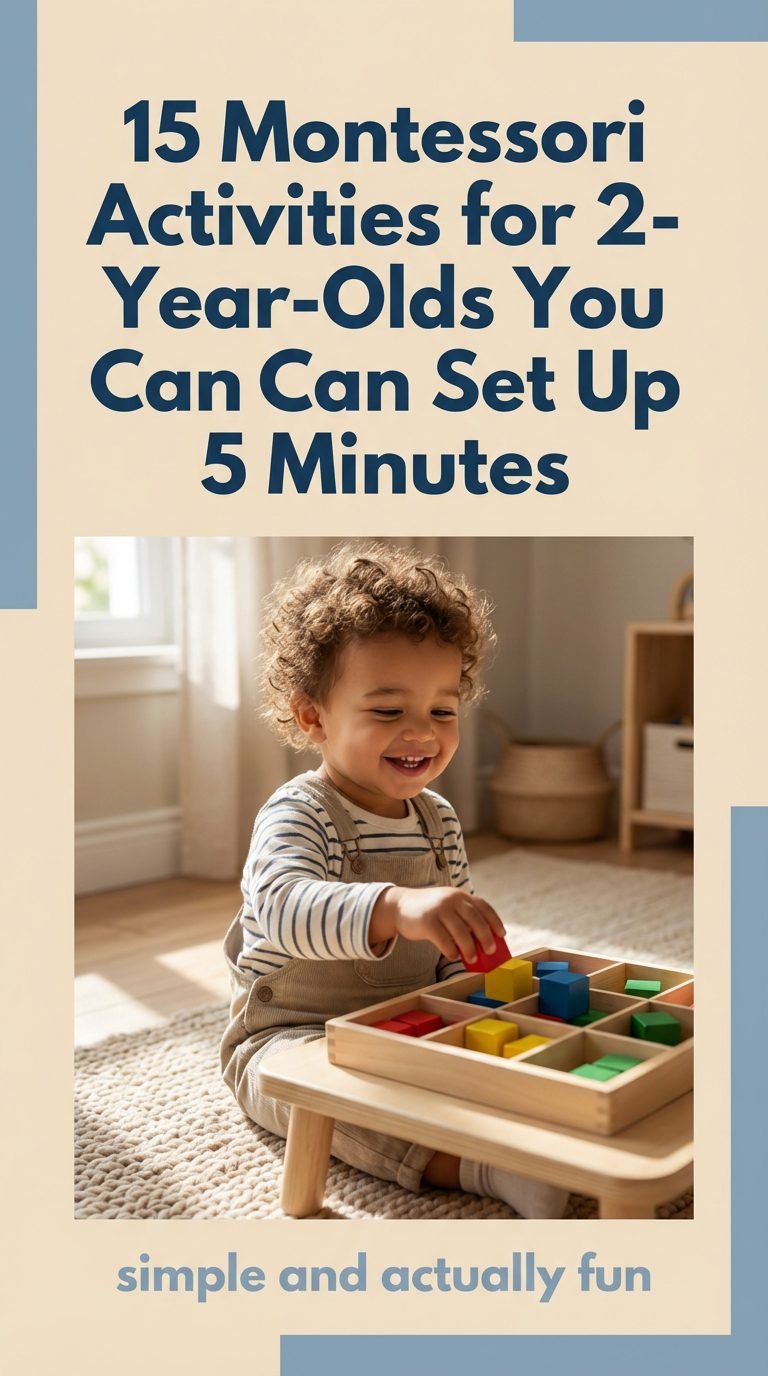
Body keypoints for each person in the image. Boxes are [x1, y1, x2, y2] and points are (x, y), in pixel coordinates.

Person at [220, 543, 567, 1218]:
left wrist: (483, 997)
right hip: (292, 1035)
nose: (422, 733)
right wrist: (396, 905)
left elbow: (448, 953)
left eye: (443, 711)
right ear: (313, 717)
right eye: (387, 711)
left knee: (492, 1064)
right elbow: (284, 909)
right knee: (333, 1102)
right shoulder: (297, 812)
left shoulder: (438, 819)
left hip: (404, 1026)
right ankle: (477, 1168)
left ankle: (515, 1124)